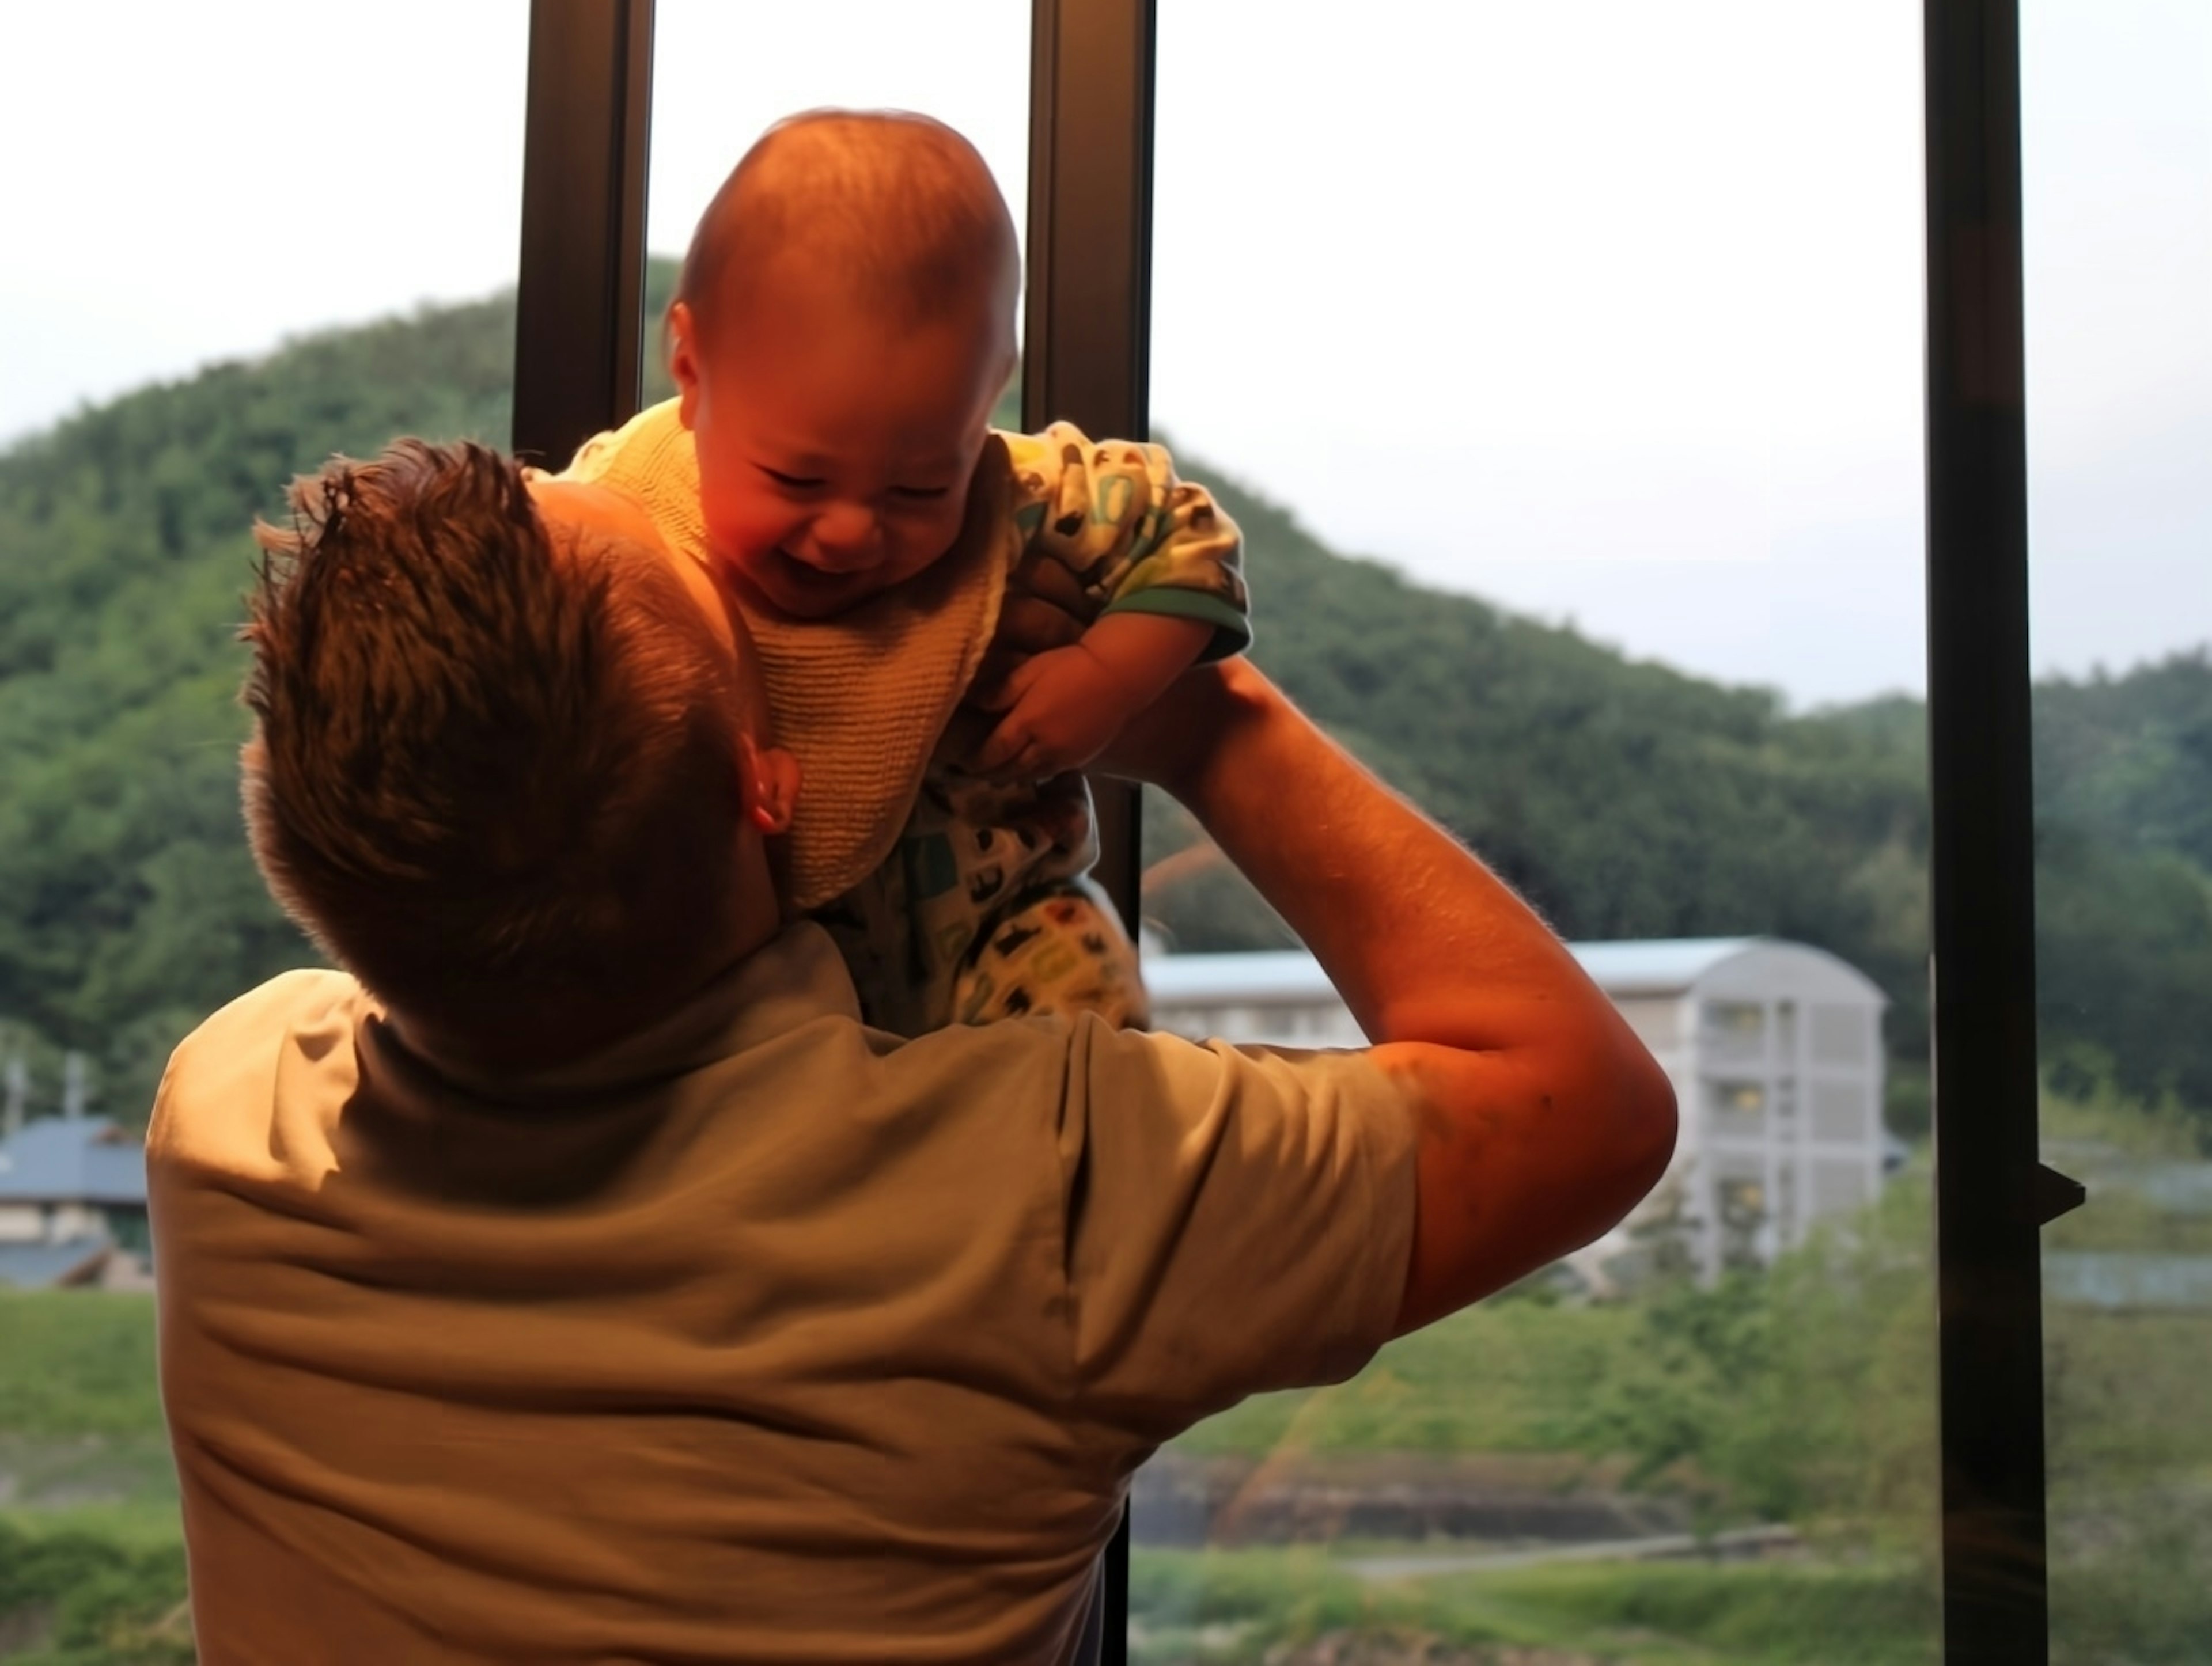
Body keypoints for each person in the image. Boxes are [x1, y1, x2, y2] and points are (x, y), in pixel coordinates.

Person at [151, 437, 1677, 1666]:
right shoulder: (1041, 1199)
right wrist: (1202, 722)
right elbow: (1580, 1106)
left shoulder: (227, 1127)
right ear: (773, 785)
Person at [567, 109, 1249, 1035]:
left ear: (989, 396)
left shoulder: (1021, 494)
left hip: (999, 932)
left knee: (1087, 1036)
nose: (850, 532)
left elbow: (1188, 534)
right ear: (690, 364)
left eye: (921, 485)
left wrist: (1109, 676)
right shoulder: (617, 504)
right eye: (797, 478)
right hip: (735, 964)